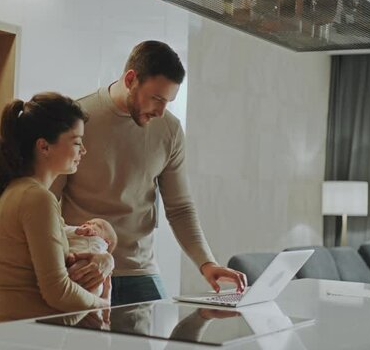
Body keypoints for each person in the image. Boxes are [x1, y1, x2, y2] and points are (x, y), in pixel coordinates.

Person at [52, 40, 247, 306]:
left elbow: (179, 208)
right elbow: (47, 202)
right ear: (131, 79)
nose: (161, 111)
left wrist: (206, 263)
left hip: (140, 270)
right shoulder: (77, 119)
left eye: (168, 101)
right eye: (156, 98)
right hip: (83, 267)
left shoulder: (169, 130)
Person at [0, 92, 113, 323]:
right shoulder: (38, 199)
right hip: (28, 338)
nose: (83, 151)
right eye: (76, 142)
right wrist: (102, 304)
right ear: (44, 147)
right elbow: (58, 292)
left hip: (11, 331)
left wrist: (105, 259)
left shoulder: (19, 191)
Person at [65, 218, 117, 296]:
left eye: (97, 225)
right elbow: (61, 231)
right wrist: (76, 231)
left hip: (91, 273)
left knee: (97, 285)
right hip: (70, 265)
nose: (88, 222)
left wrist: (107, 260)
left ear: (106, 242)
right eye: (88, 222)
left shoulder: (102, 245)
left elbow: (104, 263)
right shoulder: (77, 233)